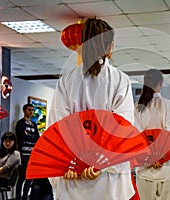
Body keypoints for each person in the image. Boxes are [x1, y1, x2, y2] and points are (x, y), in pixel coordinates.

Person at [48, 17, 136, 200]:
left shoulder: (66, 80)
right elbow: (122, 129)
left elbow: (56, 127)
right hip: (108, 179)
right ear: (110, 47)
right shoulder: (120, 80)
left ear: (83, 45)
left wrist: (70, 164)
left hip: (73, 176)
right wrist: (98, 165)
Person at [134, 69, 170, 200]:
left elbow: (137, 136)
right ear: (160, 83)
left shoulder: (137, 108)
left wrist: (151, 157)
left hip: (144, 165)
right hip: (166, 166)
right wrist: (160, 157)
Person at [15, 103, 40, 200]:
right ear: (24, 110)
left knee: (30, 175)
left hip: (33, 153)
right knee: (22, 176)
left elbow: (37, 137)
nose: (31, 112)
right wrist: (31, 137)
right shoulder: (20, 123)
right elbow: (23, 136)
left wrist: (30, 137)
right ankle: (18, 197)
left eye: (32, 110)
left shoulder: (33, 124)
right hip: (24, 153)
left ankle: (25, 196)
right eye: (29, 110)